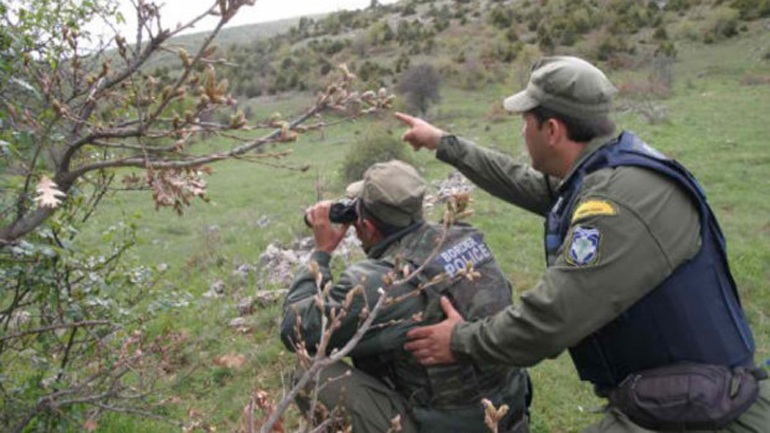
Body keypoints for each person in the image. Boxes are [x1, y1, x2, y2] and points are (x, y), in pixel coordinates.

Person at [395, 56, 769, 432]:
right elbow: (525, 183)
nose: (522, 132)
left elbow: (551, 319)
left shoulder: (616, 204)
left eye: (526, 122)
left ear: (552, 130)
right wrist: (444, 143)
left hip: (705, 411)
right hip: (676, 395)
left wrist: (460, 340)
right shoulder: (607, 168)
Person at [279, 160, 531, 433]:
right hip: (507, 413)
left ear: (367, 226)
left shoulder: (382, 282)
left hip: (447, 426)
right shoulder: (465, 236)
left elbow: (296, 331)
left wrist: (322, 252)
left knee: (308, 373)